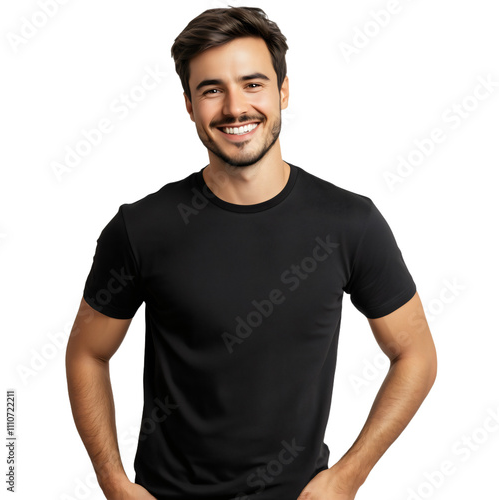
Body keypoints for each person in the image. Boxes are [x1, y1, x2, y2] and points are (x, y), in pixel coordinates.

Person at [65, 6, 437, 500]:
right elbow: (87, 353)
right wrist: (113, 484)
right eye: (212, 89)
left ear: (284, 91)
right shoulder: (141, 227)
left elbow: (416, 354)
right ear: (189, 104)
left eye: (253, 84)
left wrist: (347, 477)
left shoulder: (350, 223)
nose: (235, 108)